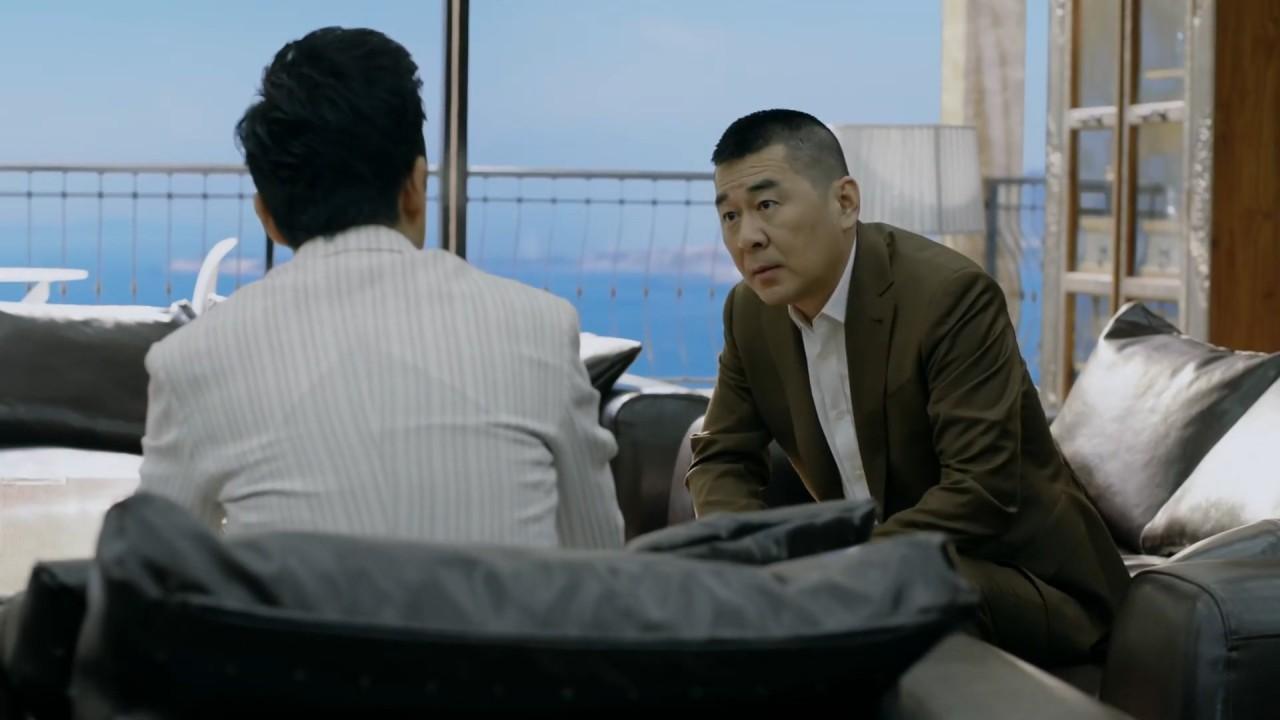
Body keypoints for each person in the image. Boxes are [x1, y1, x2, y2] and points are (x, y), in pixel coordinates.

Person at [137, 27, 624, 550]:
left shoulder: (191, 362)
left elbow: (154, 575)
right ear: (416, 186)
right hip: (499, 609)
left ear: (268, 217)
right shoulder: (541, 329)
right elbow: (598, 558)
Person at [686, 108, 1129, 664]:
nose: (747, 237)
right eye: (729, 216)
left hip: (1027, 581)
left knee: (887, 594)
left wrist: (830, 565)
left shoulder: (951, 297)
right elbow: (721, 457)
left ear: (845, 202)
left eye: (767, 205)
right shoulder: (750, 313)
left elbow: (980, 492)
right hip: (876, 575)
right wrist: (747, 557)